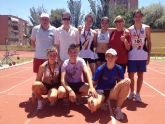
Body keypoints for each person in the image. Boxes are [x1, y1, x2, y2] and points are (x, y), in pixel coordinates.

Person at [87, 48, 130, 120]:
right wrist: (91, 88)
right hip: (101, 92)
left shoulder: (119, 68)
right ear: (105, 57)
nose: (110, 58)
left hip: (112, 92)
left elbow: (121, 83)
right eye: (108, 56)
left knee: (127, 81)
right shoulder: (100, 69)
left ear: (116, 57)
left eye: (112, 56)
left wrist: (124, 85)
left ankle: (118, 108)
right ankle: (101, 102)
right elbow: (93, 81)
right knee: (93, 107)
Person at [127, 9, 151, 102]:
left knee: (140, 75)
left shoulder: (146, 28)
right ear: (133, 17)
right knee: (131, 76)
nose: (137, 18)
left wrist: (148, 55)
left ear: (142, 17)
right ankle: (131, 92)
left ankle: (138, 94)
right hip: (132, 56)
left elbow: (149, 42)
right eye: (136, 16)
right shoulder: (129, 29)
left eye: (139, 16)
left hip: (142, 55)